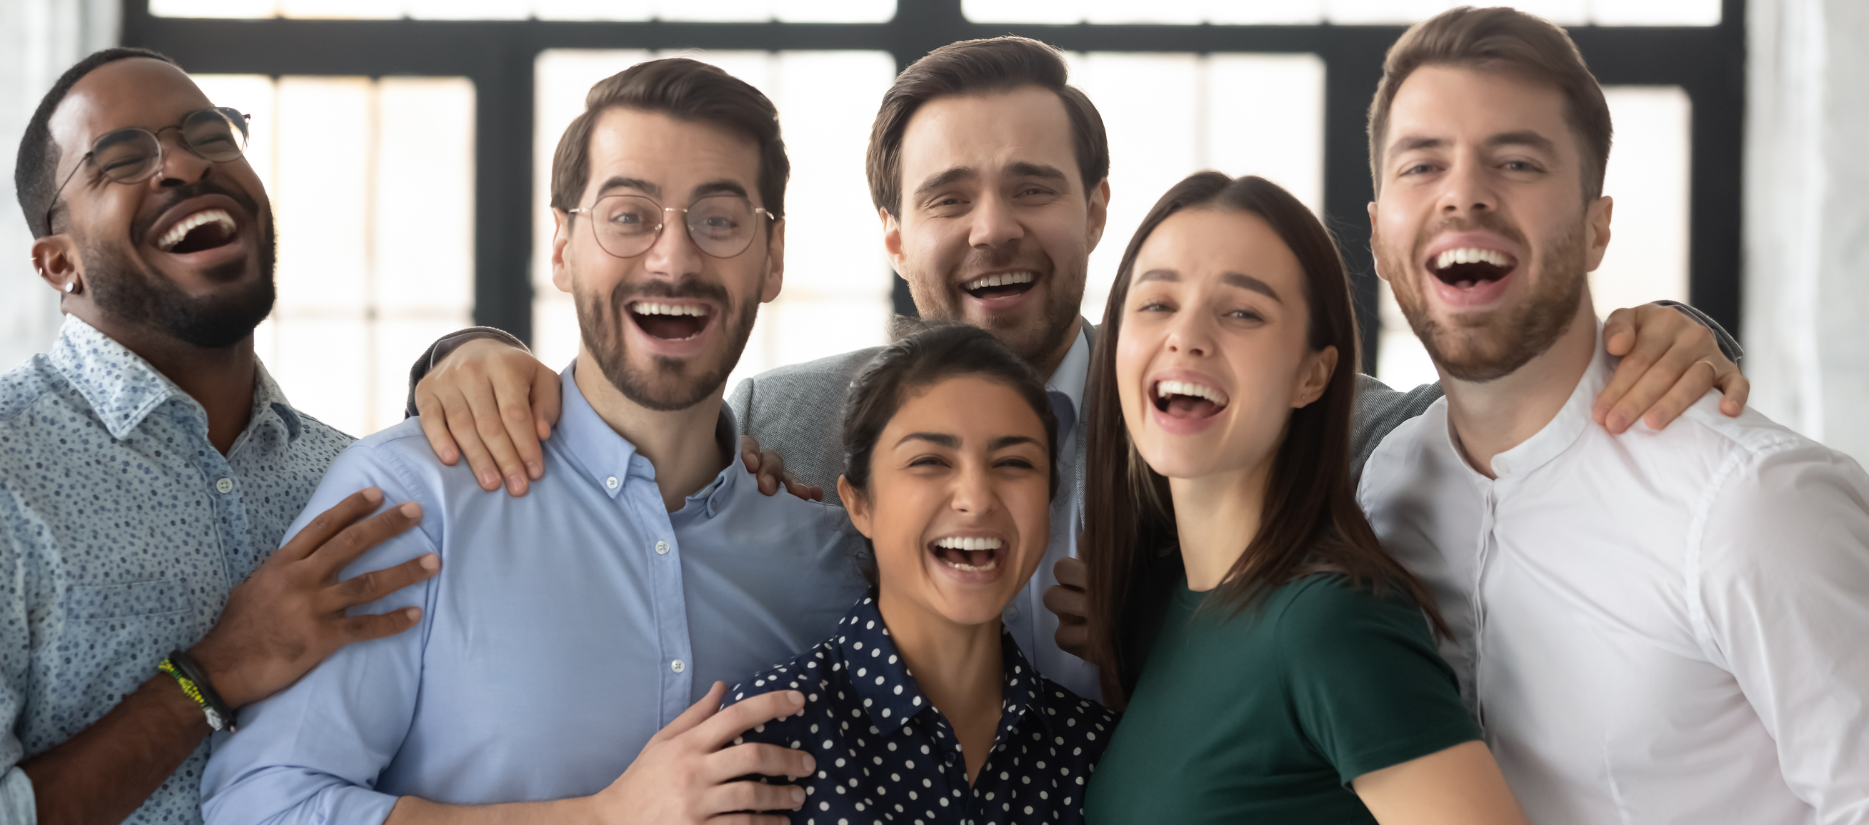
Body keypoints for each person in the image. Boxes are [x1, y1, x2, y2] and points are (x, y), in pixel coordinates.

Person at [403, 35, 1748, 706]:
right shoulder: (784, 419)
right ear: (894, 235)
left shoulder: (1227, 398)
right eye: (951, 198)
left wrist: (1679, 329)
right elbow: (621, 456)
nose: (993, 227)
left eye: (1034, 187)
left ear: (1099, 210)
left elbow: (1465, 409)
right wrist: (463, 355)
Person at [199, 58, 870, 825]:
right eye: (629, 214)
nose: (673, 257)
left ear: (773, 257)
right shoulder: (416, 496)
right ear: (561, 246)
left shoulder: (822, 560)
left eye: (721, 219)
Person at [1353, 9, 1869, 825]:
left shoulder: (1749, 503)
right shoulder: (1379, 489)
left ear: (1595, 227)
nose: (1464, 193)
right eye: (1424, 163)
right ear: (1378, 227)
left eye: (1517, 159)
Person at [0, 48, 437, 825]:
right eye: (122, 158)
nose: (182, 166)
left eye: (210, 134)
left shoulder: (347, 484)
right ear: (58, 264)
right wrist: (207, 677)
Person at [1075, 170, 1578, 825]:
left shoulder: (1331, 622)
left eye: (1243, 314)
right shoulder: (1153, 604)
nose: (1186, 334)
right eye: (1156, 303)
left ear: (1314, 373)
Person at [585, 324, 1116, 825]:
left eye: (1015, 464)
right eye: (930, 462)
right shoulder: (763, 742)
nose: (976, 496)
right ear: (857, 502)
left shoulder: (1089, 756)